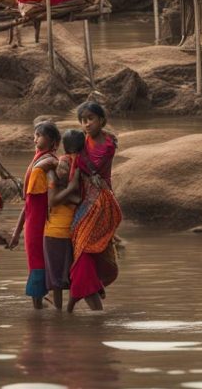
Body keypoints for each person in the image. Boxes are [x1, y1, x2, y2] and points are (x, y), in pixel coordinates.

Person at [67, 101, 122, 313]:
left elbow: (94, 166)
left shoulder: (107, 145)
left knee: (83, 250)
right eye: (83, 120)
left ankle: (79, 307)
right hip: (85, 201)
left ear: (101, 120)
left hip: (100, 202)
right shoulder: (84, 141)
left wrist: (73, 154)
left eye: (90, 119)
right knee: (82, 248)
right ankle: (90, 291)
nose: (86, 124)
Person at [8, 121, 61, 309]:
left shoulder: (48, 163)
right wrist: (16, 232)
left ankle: (38, 307)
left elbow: (42, 200)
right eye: (35, 134)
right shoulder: (39, 161)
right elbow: (28, 203)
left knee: (38, 261)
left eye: (39, 135)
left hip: (40, 223)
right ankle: (42, 305)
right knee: (36, 261)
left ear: (52, 141)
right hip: (33, 221)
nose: (35, 138)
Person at [44, 129, 86, 310]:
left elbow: (53, 198)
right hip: (74, 229)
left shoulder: (64, 163)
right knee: (68, 277)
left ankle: (60, 314)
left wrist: (69, 188)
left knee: (57, 281)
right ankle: (66, 313)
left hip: (59, 229)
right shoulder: (83, 165)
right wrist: (74, 192)